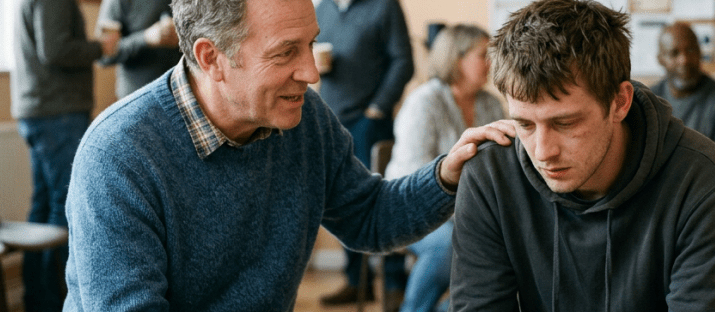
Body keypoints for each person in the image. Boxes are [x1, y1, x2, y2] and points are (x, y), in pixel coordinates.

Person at [61, 0, 513, 310]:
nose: (312, 72)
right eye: (285, 53)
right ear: (212, 57)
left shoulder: (303, 119)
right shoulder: (119, 155)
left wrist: (446, 176)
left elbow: (371, 217)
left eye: (311, 43)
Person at [449, 0, 715, 311]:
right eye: (524, 124)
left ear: (619, 102)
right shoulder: (489, 177)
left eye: (565, 123)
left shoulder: (705, 181)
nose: (542, 152)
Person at [384, 24, 506, 312]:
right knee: (449, 247)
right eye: (482, 55)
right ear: (457, 58)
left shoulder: (491, 104)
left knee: (507, 251)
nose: (490, 62)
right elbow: (412, 176)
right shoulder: (424, 102)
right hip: (409, 207)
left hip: (469, 214)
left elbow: (503, 167)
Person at [11, 0, 118, 310]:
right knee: (65, 205)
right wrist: (101, 47)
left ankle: (36, 298)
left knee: (43, 206)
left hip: (40, 111)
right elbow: (55, 50)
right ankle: (54, 300)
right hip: (58, 113)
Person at [314, 0, 415, 307]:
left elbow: (403, 61)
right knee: (340, 203)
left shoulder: (384, 6)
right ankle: (358, 281)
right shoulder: (322, 10)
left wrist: (378, 108)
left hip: (368, 123)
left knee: (382, 199)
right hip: (330, 120)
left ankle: (395, 283)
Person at [650, 22, 715, 184]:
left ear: (700, 52)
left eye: (690, 50)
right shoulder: (650, 101)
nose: (684, 60)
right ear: (661, 60)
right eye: (674, 53)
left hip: (708, 202)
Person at [96, 0, 183, 99]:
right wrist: (145, 38)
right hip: (137, 97)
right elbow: (103, 55)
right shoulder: (116, 2)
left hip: (184, 93)